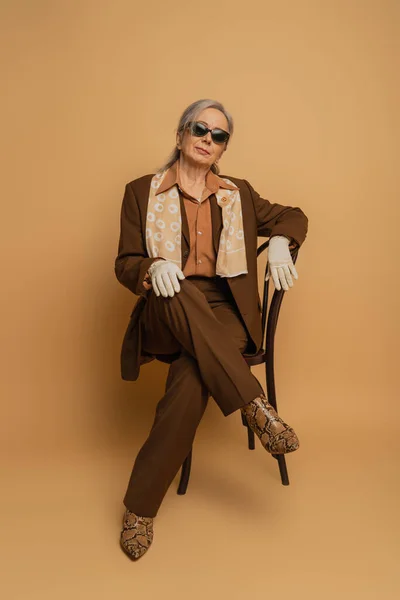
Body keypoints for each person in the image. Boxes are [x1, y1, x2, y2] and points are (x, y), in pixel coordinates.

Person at [114, 99, 308, 560]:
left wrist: (280, 241)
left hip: (225, 314)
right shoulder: (141, 190)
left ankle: (139, 509)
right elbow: (123, 263)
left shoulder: (237, 193)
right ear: (181, 134)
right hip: (166, 305)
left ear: (223, 148)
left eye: (218, 135)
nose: (208, 139)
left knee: (191, 375)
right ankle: (254, 404)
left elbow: (294, 215)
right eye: (200, 128)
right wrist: (151, 267)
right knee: (179, 286)